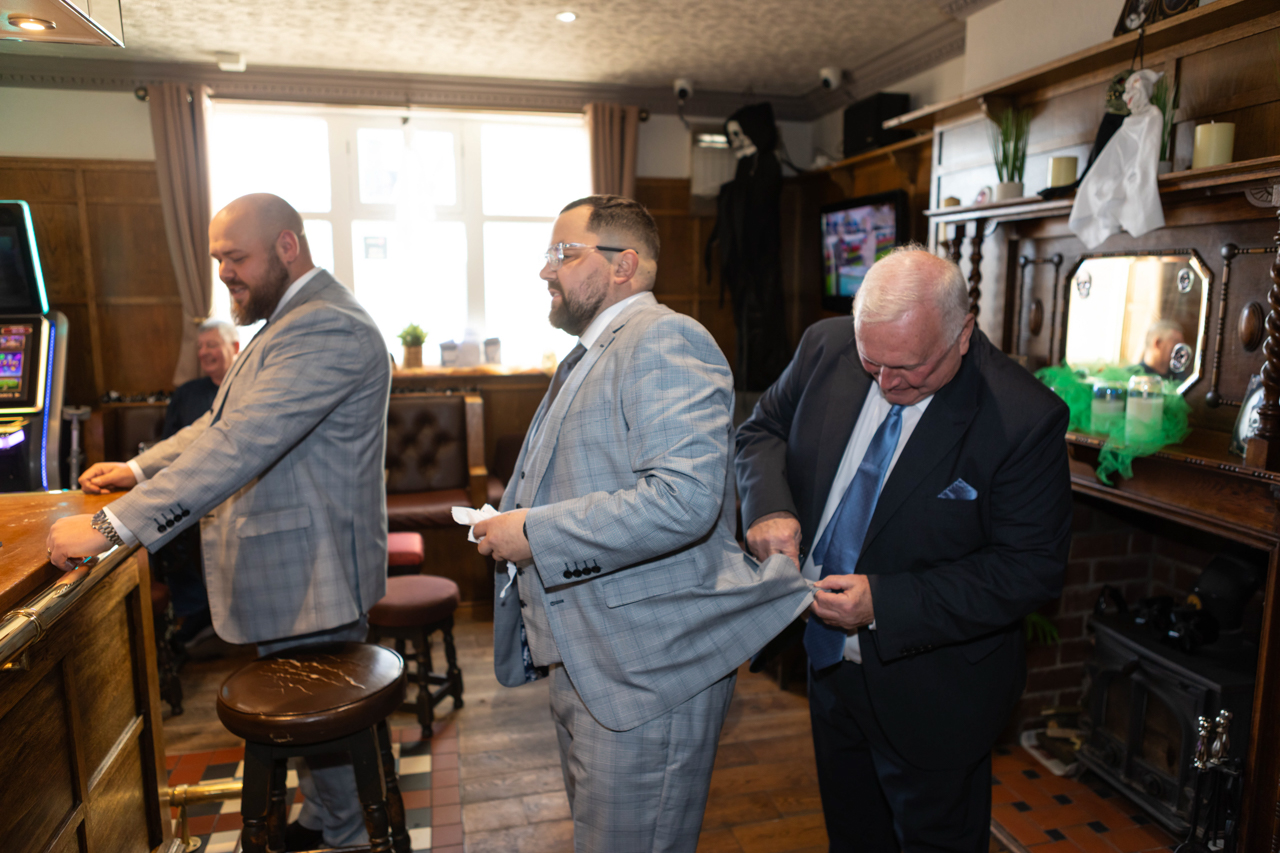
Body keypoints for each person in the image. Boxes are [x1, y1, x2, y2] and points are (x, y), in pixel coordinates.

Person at [46, 193, 392, 851]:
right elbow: (218, 423)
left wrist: (114, 526)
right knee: (307, 715)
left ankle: (349, 836)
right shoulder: (290, 317)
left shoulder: (327, 326)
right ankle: (326, 819)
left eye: (236, 257)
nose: (225, 273)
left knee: (324, 723)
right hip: (294, 569)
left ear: (287, 246)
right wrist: (139, 469)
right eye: (217, 260)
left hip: (315, 572)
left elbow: (241, 444)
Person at [472, 194, 812, 853]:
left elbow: (682, 500)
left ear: (623, 264)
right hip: (592, 656)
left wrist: (533, 533)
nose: (546, 270)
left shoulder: (664, 339)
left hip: (647, 670)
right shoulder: (593, 351)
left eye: (563, 253)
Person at [735, 246, 1071, 853]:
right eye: (873, 362)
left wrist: (884, 604)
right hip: (827, 666)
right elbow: (762, 431)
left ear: (962, 334)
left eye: (910, 368)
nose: (887, 385)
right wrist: (768, 509)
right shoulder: (825, 346)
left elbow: (1030, 569)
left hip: (934, 695)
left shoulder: (1024, 417)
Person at [154, 318, 240, 648]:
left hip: (237, 487)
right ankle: (195, 608)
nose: (204, 352)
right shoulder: (186, 394)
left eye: (211, 345)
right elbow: (169, 447)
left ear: (234, 347)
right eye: (200, 346)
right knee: (163, 524)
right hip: (191, 486)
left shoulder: (248, 389)